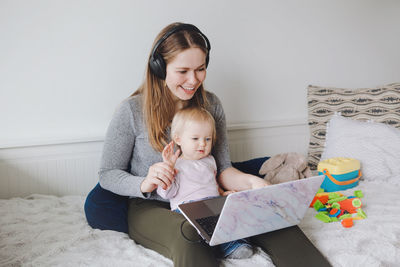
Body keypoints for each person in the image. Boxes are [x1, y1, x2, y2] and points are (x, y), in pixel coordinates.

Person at [84, 22, 331, 267]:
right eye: (183, 71)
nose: (193, 80)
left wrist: (254, 184)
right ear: (159, 67)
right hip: (151, 208)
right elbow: (108, 174)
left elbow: (223, 169)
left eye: (200, 69)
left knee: (274, 216)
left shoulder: (211, 105)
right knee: (189, 232)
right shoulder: (131, 111)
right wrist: (144, 183)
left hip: (208, 200)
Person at [157, 107, 253, 259]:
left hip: (210, 203)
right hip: (185, 208)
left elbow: (211, 183)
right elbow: (167, 193)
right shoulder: (176, 165)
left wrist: (222, 193)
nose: (202, 144)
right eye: (195, 139)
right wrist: (168, 171)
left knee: (230, 213)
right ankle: (227, 247)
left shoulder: (210, 160)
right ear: (178, 139)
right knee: (206, 222)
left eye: (207, 139)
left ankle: (236, 242)